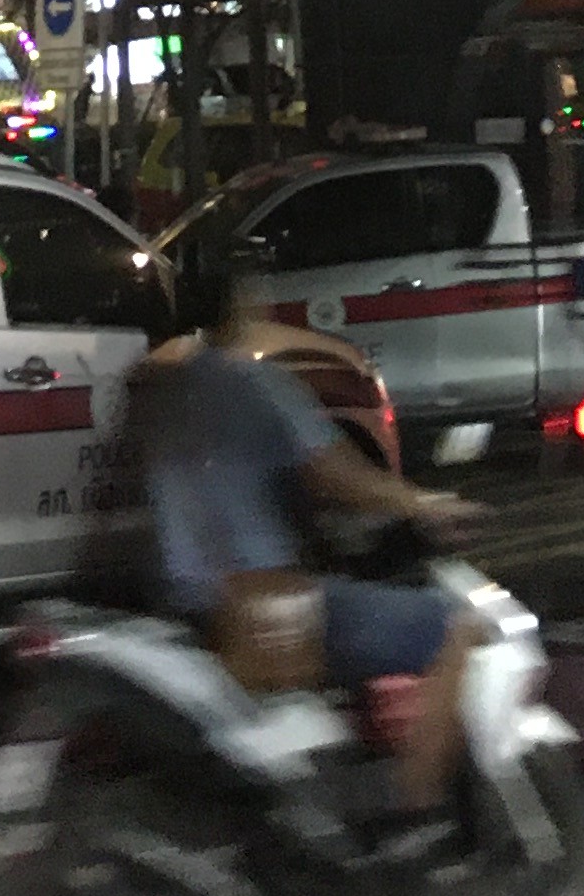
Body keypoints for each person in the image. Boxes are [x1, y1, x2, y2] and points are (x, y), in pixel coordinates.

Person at [131, 310, 481, 826]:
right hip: (258, 601)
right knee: (457, 624)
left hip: (183, 598)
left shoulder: (156, 389)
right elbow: (340, 475)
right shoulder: (255, 382)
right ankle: (411, 808)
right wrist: (428, 504)